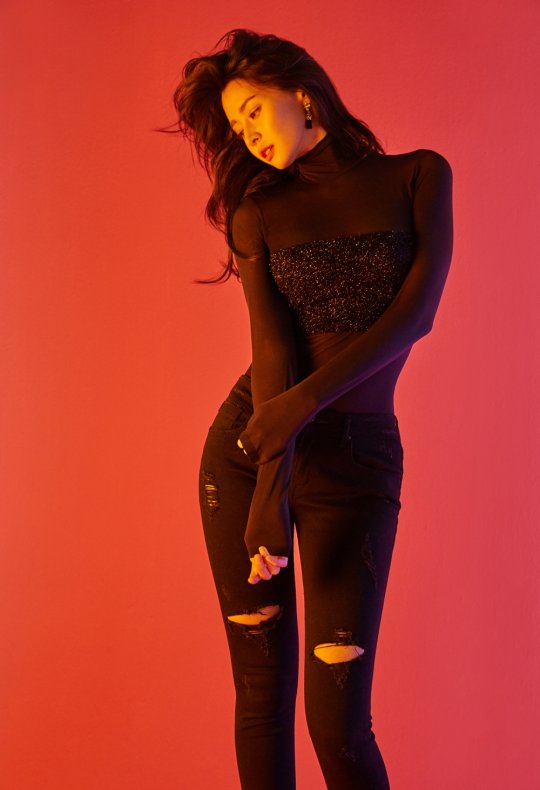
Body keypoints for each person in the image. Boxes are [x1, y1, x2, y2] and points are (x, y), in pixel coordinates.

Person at [170, 28, 453, 789]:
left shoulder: (419, 176)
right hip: (251, 455)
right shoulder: (259, 213)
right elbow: (273, 354)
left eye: (253, 112)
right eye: (236, 128)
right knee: (262, 697)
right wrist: (270, 490)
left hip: (353, 461)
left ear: (301, 93)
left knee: (340, 726)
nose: (249, 135)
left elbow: (416, 316)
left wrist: (301, 405)